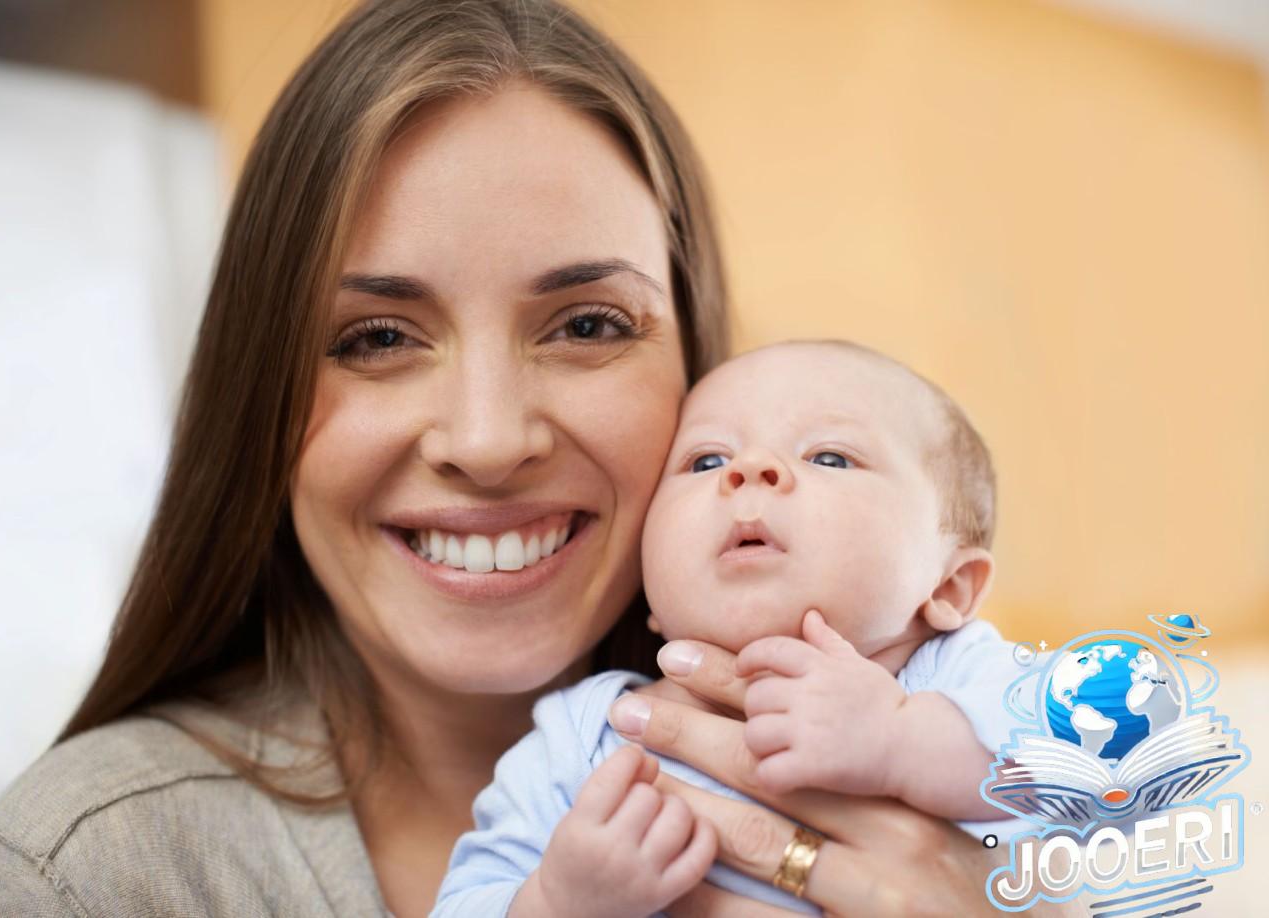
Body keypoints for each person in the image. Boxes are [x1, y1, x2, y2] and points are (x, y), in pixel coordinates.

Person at [0, 2, 1078, 915]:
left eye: (587, 324)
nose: (486, 442)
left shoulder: (962, 704)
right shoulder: (87, 874)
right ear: (261, 397)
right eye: (376, 339)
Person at [433, 340, 1032, 916]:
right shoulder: (583, 740)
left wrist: (903, 741)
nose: (749, 469)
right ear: (651, 594)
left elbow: (1107, 771)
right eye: (706, 460)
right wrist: (558, 903)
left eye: (829, 456)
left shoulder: (960, 679)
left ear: (950, 587)